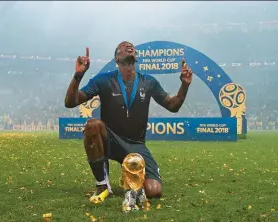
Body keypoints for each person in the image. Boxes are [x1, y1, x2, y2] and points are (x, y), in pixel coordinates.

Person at [64, 41, 193, 208]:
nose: (128, 46)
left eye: (131, 46)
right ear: (117, 59)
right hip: (111, 140)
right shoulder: (103, 80)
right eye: (123, 47)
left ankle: (130, 176)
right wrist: (78, 75)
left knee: (154, 191)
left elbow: (173, 105)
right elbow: (70, 102)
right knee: (92, 125)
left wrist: (184, 85)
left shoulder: (148, 82)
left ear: (136, 57)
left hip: (136, 145)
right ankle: (103, 185)